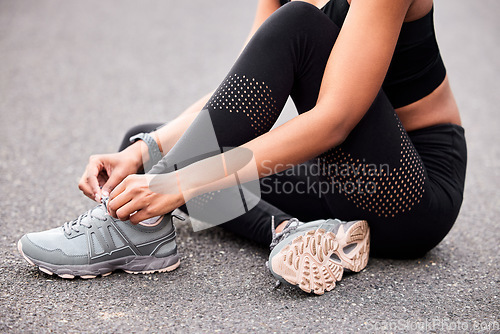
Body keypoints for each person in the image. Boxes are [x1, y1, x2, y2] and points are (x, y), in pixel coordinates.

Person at [18, 0, 466, 295]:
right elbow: (240, 95)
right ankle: (290, 231)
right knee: (146, 145)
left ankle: (141, 227)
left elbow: (334, 120)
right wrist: (145, 153)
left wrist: (180, 183)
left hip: (409, 193)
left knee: (298, 24)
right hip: (337, 176)